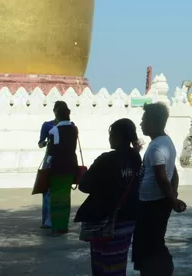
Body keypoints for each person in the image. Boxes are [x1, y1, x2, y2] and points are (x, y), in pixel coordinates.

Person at [75, 118, 142, 276]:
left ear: (118, 136)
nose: (109, 138)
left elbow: (84, 186)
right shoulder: (136, 158)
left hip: (105, 220)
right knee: (118, 262)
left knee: (101, 262)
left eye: (111, 134)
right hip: (128, 219)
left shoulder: (106, 159)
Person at [133, 102, 186, 275]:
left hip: (152, 203)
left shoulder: (157, 146)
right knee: (153, 241)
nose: (141, 124)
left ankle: (159, 271)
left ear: (153, 123)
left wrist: (172, 200)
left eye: (144, 120)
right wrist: (174, 194)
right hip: (157, 201)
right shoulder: (165, 142)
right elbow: (174, 172)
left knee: (151, 243)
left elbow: (162, 177)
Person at [45, 101, 79, 236]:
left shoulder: (54, 130)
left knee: (56, 198)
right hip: (71, 167)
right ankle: (64, 225)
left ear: (56, 114)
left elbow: (53, 151)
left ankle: (56, 227)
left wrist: (48, 163)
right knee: (65, 197)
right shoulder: (74, 128)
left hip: (58, 168)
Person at [38, 115, 56, 230]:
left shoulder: (48, 125)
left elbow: (40, 144)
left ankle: (48, 221)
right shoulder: (71, 126)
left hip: (52, 162)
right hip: (62, 163)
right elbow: (40, 143)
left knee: (47, 192)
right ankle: (54, 221)